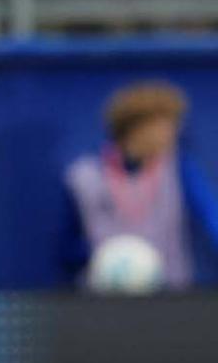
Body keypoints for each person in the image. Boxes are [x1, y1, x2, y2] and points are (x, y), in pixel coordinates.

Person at [63, 81, 218, 290]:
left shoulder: (179, 168)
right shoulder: (84, 177)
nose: (172, 134)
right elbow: (69, 246)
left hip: (169, 294)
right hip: (104, 297)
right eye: (163, 126)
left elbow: (210, 216)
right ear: (135, 128)